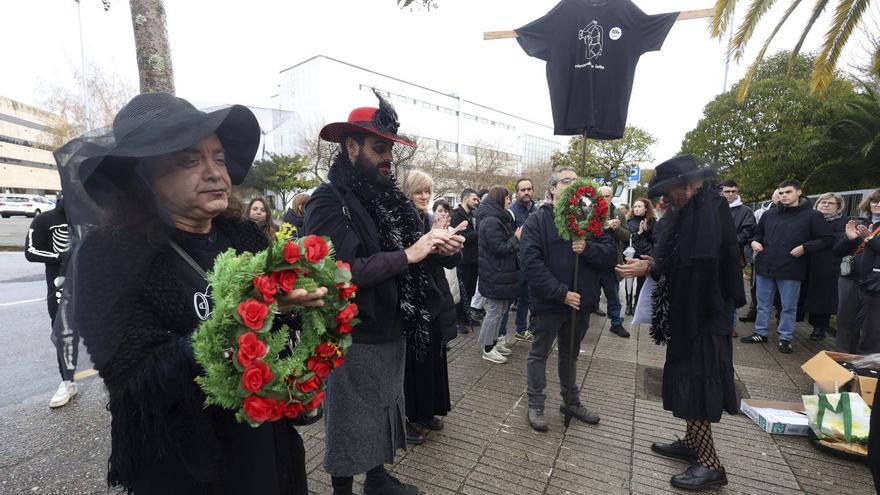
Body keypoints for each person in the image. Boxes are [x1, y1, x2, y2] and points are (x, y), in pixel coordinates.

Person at [56, 92, 320, 493]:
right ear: (141, 176)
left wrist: (297, 310)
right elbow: (133, 378)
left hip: (264, 439)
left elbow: (278, 322)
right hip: (185, 457)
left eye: (218, 158)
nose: (215, 173)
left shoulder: (243, 234)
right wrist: (243, 317)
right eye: (188, 161)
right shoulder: (107, 256)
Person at [303, 92, 464, 495]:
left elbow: (420, 248)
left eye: (390, 149)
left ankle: (376, 479)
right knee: (348, 419)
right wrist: (408, 254)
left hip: (393, 326)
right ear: (351, 147)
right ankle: (342, 489)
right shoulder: (327, 200)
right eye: (379, 148)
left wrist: (442, 248)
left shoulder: (391, 198)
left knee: (385, 407)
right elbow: (339, 270)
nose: (387, 158)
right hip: (353, 333)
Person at [616, 155, 745, 490]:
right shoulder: (690, 209)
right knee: (687, 376)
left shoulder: (710, 208)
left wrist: (652, 267)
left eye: (671, 189)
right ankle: (693, 442)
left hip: (704, 314)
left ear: (690, 184)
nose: (667, 197)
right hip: (689, 311)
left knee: (698, 381)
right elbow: (677, 255)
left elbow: (698, 260)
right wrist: (656, 262)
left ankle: (711, 464)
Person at [520, 167, 616, 431]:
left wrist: (587, 248)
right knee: (539, 354)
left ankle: (571, 401)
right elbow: (531, 263)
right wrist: (560, 293)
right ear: (552, 188)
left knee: (570, 354)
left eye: (576, 181)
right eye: (566, 181)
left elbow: (610, 255)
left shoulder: (590, 218)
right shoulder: (538, 220)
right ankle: (536, 404)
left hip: (581, 304)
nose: (573, 185)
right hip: (550, 303)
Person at [740, 179, 833, 353]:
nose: (784, 196)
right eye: (781, 193)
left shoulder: (812, 216)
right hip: (766, 266)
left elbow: (827, 239)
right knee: (762, 304)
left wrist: (805, 247)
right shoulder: (769, 214)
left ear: (799, 192)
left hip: (791, 268)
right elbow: (756, 234)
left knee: (788, 306)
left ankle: (785, 338)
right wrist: (754, 242)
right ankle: (760, 333)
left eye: (788, 192)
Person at [401, 170, 456, 445]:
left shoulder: (426, 218)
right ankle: (410, 416)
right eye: (418, 191)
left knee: (433, 357)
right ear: (408, 192)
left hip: (433, 299)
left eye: (427, 191)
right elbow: (407, 258)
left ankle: (426, 411)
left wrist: (448, 245)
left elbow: (445, 262)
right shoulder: (404, 217)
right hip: (414, 301)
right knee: (415, 362)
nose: (424, 196)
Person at [24, 197, 77, 408]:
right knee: (63, 334)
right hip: (60, 285)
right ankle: (68, 382)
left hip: (92, 283)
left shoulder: (90, 216)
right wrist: (61, 256)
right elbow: (30, 251)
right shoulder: (45, 220)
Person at [474, 185, 522, 364]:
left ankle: (493, 343)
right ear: (499, 199)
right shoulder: (491, 221)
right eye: (507, 198)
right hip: (495, 273)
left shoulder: (498, 217)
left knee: (500, 311)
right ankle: (487, 348)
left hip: (500, 273)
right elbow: (499, 248)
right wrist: (515, 238)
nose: (509, 201)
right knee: (494, 312)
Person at [832, 189, 880, 354]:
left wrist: (870, 239)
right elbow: (837, 251)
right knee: (845, 321)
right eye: (875, 201)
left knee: (873, 326)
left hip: (876, 284)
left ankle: (866, 363)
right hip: (850, 280)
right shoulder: (859, 223)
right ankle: (843, 357)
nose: (877, 204)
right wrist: (848, 239)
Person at [801, 193, 848, 341]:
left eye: (830, 203)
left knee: (823, 297)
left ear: (838, 206)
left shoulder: (843, 222)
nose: (826, 205)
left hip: (828, 263)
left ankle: (819, 327)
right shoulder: (809, 218)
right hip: (806, 261)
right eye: (823, 202)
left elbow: (836, 240)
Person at [720, 179, 756, 337]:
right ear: (721, 192)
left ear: (737, 191)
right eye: (726, 191)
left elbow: (748, 231)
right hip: (712, 256)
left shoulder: (745, 211)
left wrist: (729, 241)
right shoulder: (712, 208)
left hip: (733, 257)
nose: (730, 194)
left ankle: (730, 325)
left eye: (733, 191)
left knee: (731, 292)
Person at [740, 189, 782, 322]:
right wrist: (753, 245)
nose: (781, 198)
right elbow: (754, 233)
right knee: (756, 286)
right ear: (772, 197)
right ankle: (754, 312)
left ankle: (779, 315)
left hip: (783, 258)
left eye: (784, 195)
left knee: (780, 289)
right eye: (778, 196)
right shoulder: (760, 213)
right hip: (759, 256)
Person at [597, 185, 630, 337]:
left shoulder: (618, 213)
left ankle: (616, 323)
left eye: (607, 196)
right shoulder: (587, 211)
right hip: (592, 260)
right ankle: (589, 313)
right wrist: (605, 226)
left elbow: (627, 236)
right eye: (601, 196)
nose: (604, 199)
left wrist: (617, 229)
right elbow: (584, 232)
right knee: (589, 292)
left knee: (613, 295)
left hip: (611, 262)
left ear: (611, 197)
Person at [507, 177, 538, 342]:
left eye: (529, 189)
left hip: (532, 262)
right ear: (517, 192)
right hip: (516, 263)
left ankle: (521, 329)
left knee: (527, 298)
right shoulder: (511, 211)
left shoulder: (537, 209)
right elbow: (509, 238)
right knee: (508, 301)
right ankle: (501, 336)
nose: (526, 192)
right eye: (522, 190)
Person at [452, 188, 480, 326]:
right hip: (463, 260)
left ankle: (466, 316)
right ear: (465, 199)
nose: (477, 202)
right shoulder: (456, 215)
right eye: (474, 199)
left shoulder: (473, 215)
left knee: (470, 290)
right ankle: (458, 320)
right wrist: (478, 233)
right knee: (461, 290)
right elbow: (459, 236)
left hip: (474, 259)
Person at [623, 198, 656, 316]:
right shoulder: (628, 222)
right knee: (629, 280)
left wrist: (647, 231)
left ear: (646, 208)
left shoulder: (653, 222)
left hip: (645, 256)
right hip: (632, 255)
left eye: (639, 206)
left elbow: (656, 240)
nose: (636, 209)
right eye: (635, 206)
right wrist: (639, 232)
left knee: (641, 282)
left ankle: (637, 304)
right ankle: (628, 304)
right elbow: (627, 239)